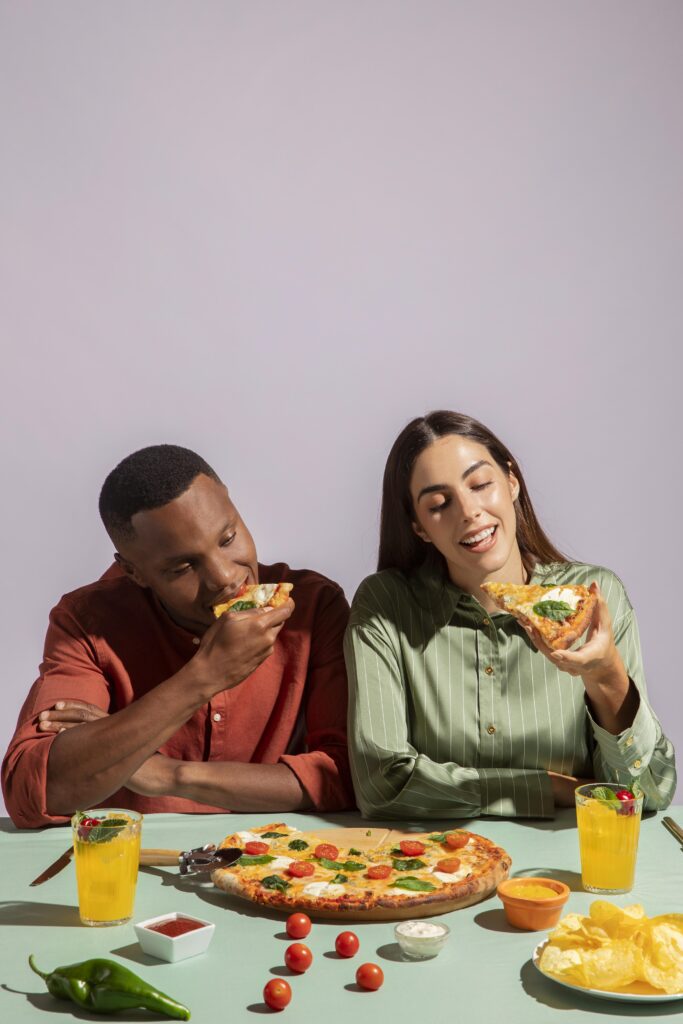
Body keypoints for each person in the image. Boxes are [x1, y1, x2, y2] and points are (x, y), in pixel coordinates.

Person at [344, 411, 676, 819]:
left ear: (511, 481)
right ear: (419, 528)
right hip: (436, 866)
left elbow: (646, 795)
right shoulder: (385, 606)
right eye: (438, 504)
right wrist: (547, 786)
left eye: (481, 484)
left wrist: (607, 676)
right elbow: (381, 784)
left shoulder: (592, 598)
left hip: (571, 869)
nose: (468, 511)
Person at [3, 445, 354, 828]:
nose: (225, 577)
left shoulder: (314, 608)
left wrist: (166, 774)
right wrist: (202, 678)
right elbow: (31, 792)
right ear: (134, 572)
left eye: (228, 538)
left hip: (279, 859)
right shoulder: (86, 623)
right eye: (183, 566)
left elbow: (348, 777)